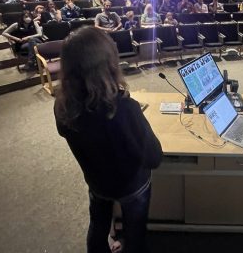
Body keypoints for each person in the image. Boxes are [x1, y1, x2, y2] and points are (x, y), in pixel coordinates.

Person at [54, 27, 163, 253]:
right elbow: (154, 158)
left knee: (98, 223)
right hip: (131, 186)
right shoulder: (125, 109)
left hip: (96, 182)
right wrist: (135, 117)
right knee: (135, 231)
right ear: (108, 64)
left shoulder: (63, 106)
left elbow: (71, 133)